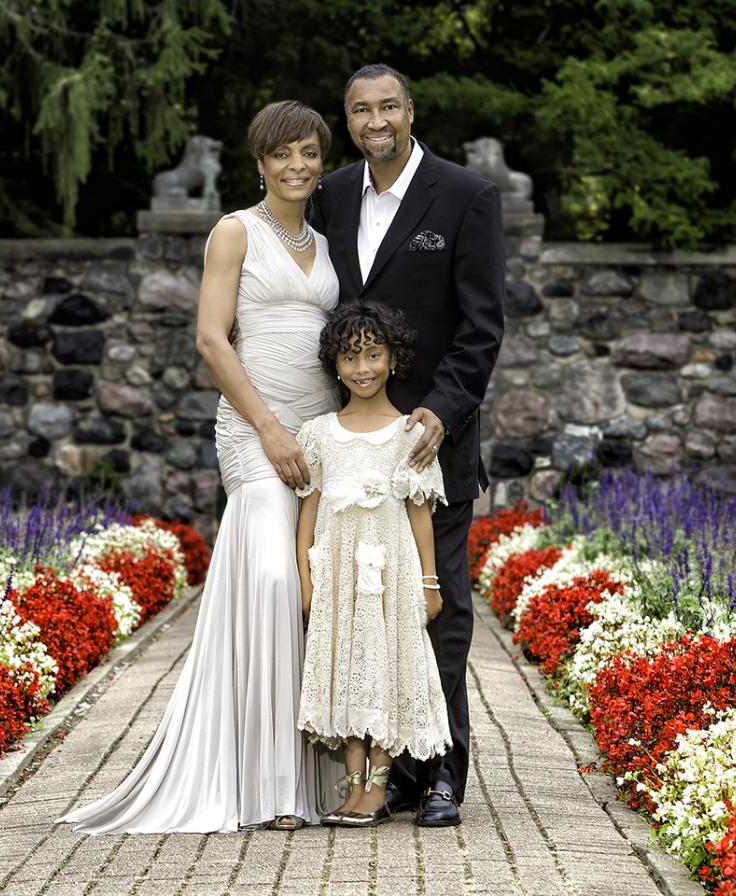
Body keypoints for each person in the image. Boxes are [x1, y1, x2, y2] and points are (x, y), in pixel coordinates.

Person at [57, 100, 340, 834]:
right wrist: (271, 429)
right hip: (256, 432)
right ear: (259, 162)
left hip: (320, 435)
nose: (297, 165)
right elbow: (214, 342)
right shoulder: (233, 232)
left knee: (311, 590)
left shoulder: (329, 241)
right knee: (273, 579)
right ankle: (266, 784)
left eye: (309, 152)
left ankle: (308, 775)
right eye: (283, 154)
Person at [310, 63, 505, 827]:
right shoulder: (328, 196)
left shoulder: (465, 197)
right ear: (349, 119)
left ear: (411, 111)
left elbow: (482, 326)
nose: (376, 120)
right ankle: (389, 770)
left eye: (388, 106)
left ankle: (445, 772)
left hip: (431, 448)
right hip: (354, 455)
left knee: (440, 611)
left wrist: (439, 413)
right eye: (361, 109)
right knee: (366, 619)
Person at [295, 302, 451, 828]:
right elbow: (308, 512)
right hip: (339, 577)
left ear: (392, 359)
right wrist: (305, 578)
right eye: (350, 357)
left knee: (385, 669)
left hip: (391, 576)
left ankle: (377, 790)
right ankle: (352, 787)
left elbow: (420, 514)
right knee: (347, 672)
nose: (362, 368)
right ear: (334, 366)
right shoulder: (318, 434)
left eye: (373, 355)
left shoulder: (410, 433)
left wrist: (429, 583)